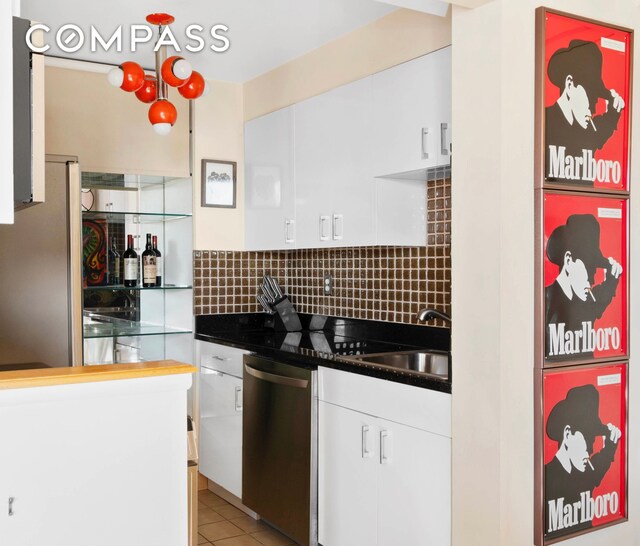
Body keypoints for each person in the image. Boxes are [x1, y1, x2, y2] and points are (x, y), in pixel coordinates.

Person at [545, 384, 621, 537]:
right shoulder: (546, 478)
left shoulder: (584, 472)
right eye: (587, 440)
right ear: (567, 434)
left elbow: (598, 467)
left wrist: (610, 447)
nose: (591, 450)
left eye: (592, 441)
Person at [545, 39, 625, 182]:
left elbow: (600, 131)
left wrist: (613, 113)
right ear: (570, 84)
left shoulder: (586, 130)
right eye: (591, 96)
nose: (594, 108)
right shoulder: (544, 123)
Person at [545, 214, 622, 356]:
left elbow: (600, 299)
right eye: (588, 268)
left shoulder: (586, 301)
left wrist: (612, 279)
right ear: (568, 260)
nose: (592, 280)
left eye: (594, 269)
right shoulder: (544, 302)